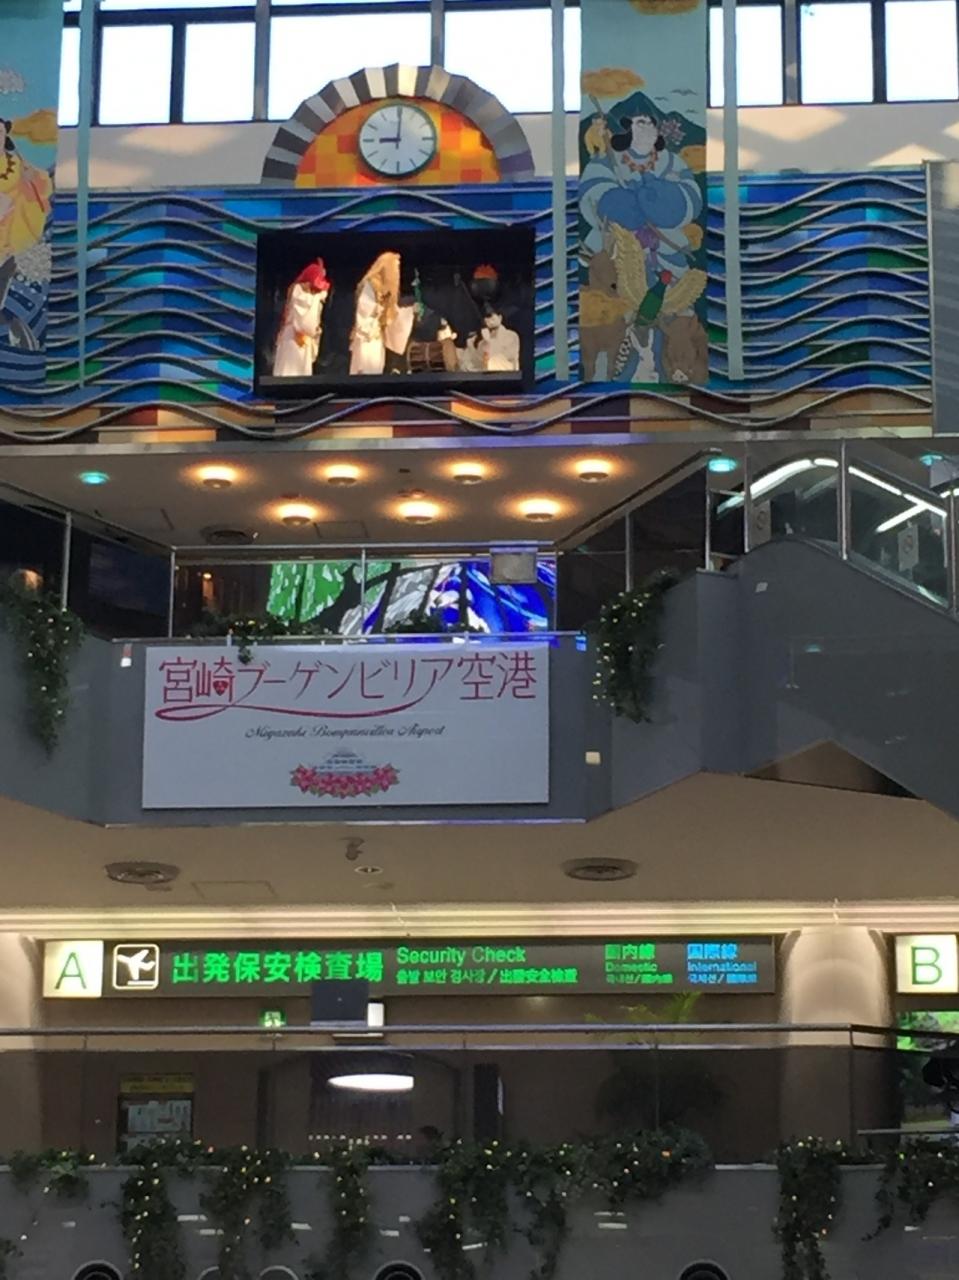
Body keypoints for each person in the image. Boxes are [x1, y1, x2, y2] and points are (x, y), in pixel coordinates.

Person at [272, 260, 330, 377]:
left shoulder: (314, 297)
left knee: (303, 372)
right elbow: (304, 305)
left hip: (306, 341)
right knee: (289, 371)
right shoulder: (297, 290)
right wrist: (318, 297)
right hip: (292, 336)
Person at [350, 251, 400, 375]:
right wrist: (378, 309)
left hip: (376, 335)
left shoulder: (385, 288)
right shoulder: (371, 284)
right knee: (367, 369)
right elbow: (363, 310)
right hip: (367, 335)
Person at [478, 308, 520, 372]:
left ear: (500, 318)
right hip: (487, 375)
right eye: (486, 319)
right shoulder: (482, 341)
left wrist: (489, 342)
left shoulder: (511, 336)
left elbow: (503, 357)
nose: (489, 321)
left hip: (507, 373)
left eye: (492, 318)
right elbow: (481, 362)